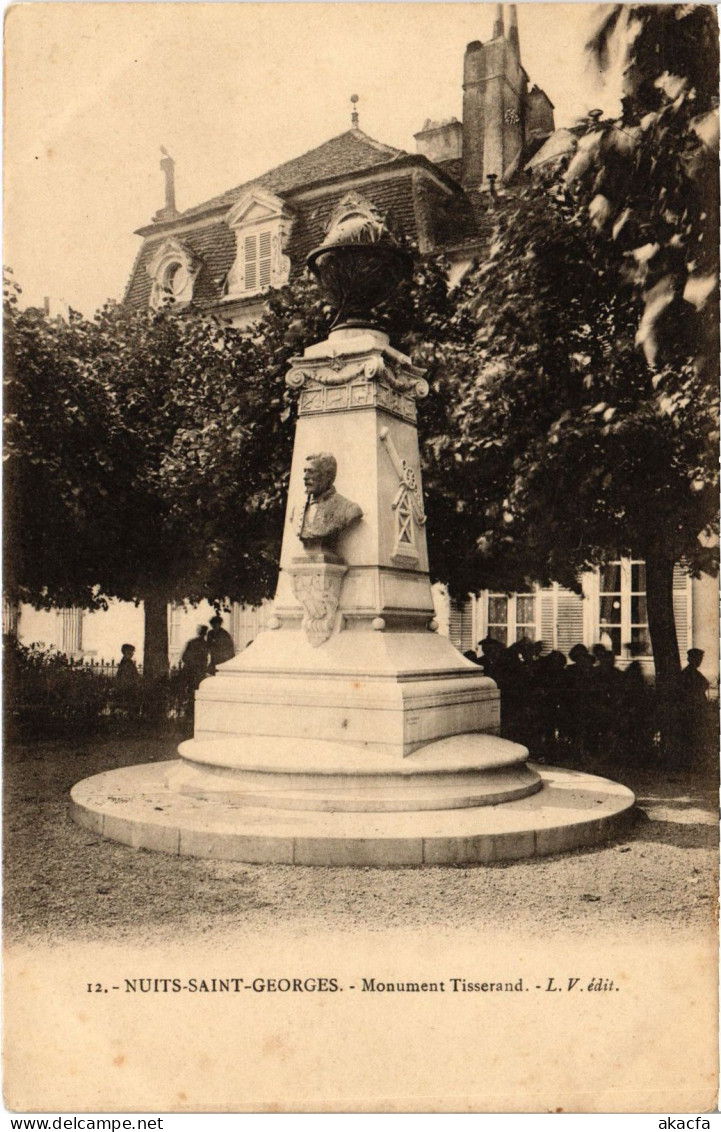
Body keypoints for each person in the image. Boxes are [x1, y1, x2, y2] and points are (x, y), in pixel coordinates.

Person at [296, 453, 362, 550]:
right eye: (305, 471)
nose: (305, 477)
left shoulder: (348, 509)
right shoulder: (296, 510)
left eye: (311, 472)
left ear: (328, 476)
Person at [181, 625, 210, 691]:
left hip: (191, 670)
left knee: (188, 689)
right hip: (198, 671)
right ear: (205, 633)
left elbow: (184, 657)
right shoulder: (205, 644)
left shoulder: (191, 642)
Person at [115, 643, 141, 715]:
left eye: (132, 652)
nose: (132, 653)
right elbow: (125, 676)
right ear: (126, 652)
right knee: (128, 707)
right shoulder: (126, 663)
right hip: (127, 688)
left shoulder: (126, 662)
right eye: (130, 652)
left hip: (128, 688)